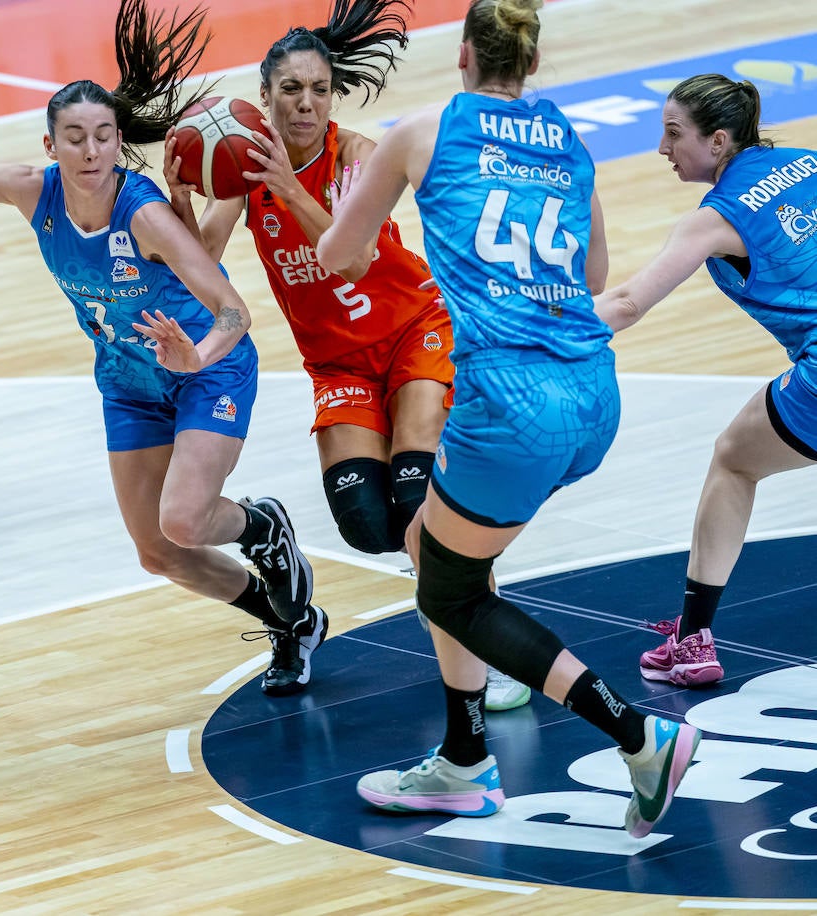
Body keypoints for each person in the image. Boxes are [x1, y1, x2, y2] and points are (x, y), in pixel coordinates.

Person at [315, 0, 699, 835]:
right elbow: (594, 271)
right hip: (593, 391)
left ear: (461, 56)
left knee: (449, 590)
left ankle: (638, 736)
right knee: (433, 547)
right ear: (528, 63)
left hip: (511, 404)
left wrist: (359, 194)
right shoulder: (569, 141)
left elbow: (336, 256)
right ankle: (462, 757)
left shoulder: (422, 133)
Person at [0, 0, 327, 696]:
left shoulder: (143, 212)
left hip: (205, 371)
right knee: (160, 554)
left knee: (184, 519)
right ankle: (289, 621)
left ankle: (263, 527)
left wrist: (197, 356)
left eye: (102, 137)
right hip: (127, 381)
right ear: (50, 146)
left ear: (117, 141)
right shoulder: (29, 191)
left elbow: (234, 313)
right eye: (74, 137)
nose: (90, 152)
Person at [162, 0, 529, 711]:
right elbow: (199, 262)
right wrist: (183, 207)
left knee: (422, 499)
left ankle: (489, 642)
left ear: (333, 95)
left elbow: (354, 257)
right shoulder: (246, 166)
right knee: (369, 523)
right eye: (291, 89)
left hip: (414, 331)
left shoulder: (357, 155)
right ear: (264, 95)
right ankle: (454, 582)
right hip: (339, 365)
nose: (305, 103)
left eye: (319, 89)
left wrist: (287, 187)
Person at [595, 74, 817, 687]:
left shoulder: (716, 218)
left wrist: (526, 333)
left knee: (733, 461)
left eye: (674, 134)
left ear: (718, 141)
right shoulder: (807, 161)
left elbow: (626, 305)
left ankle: (693, 641)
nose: (662, 149)